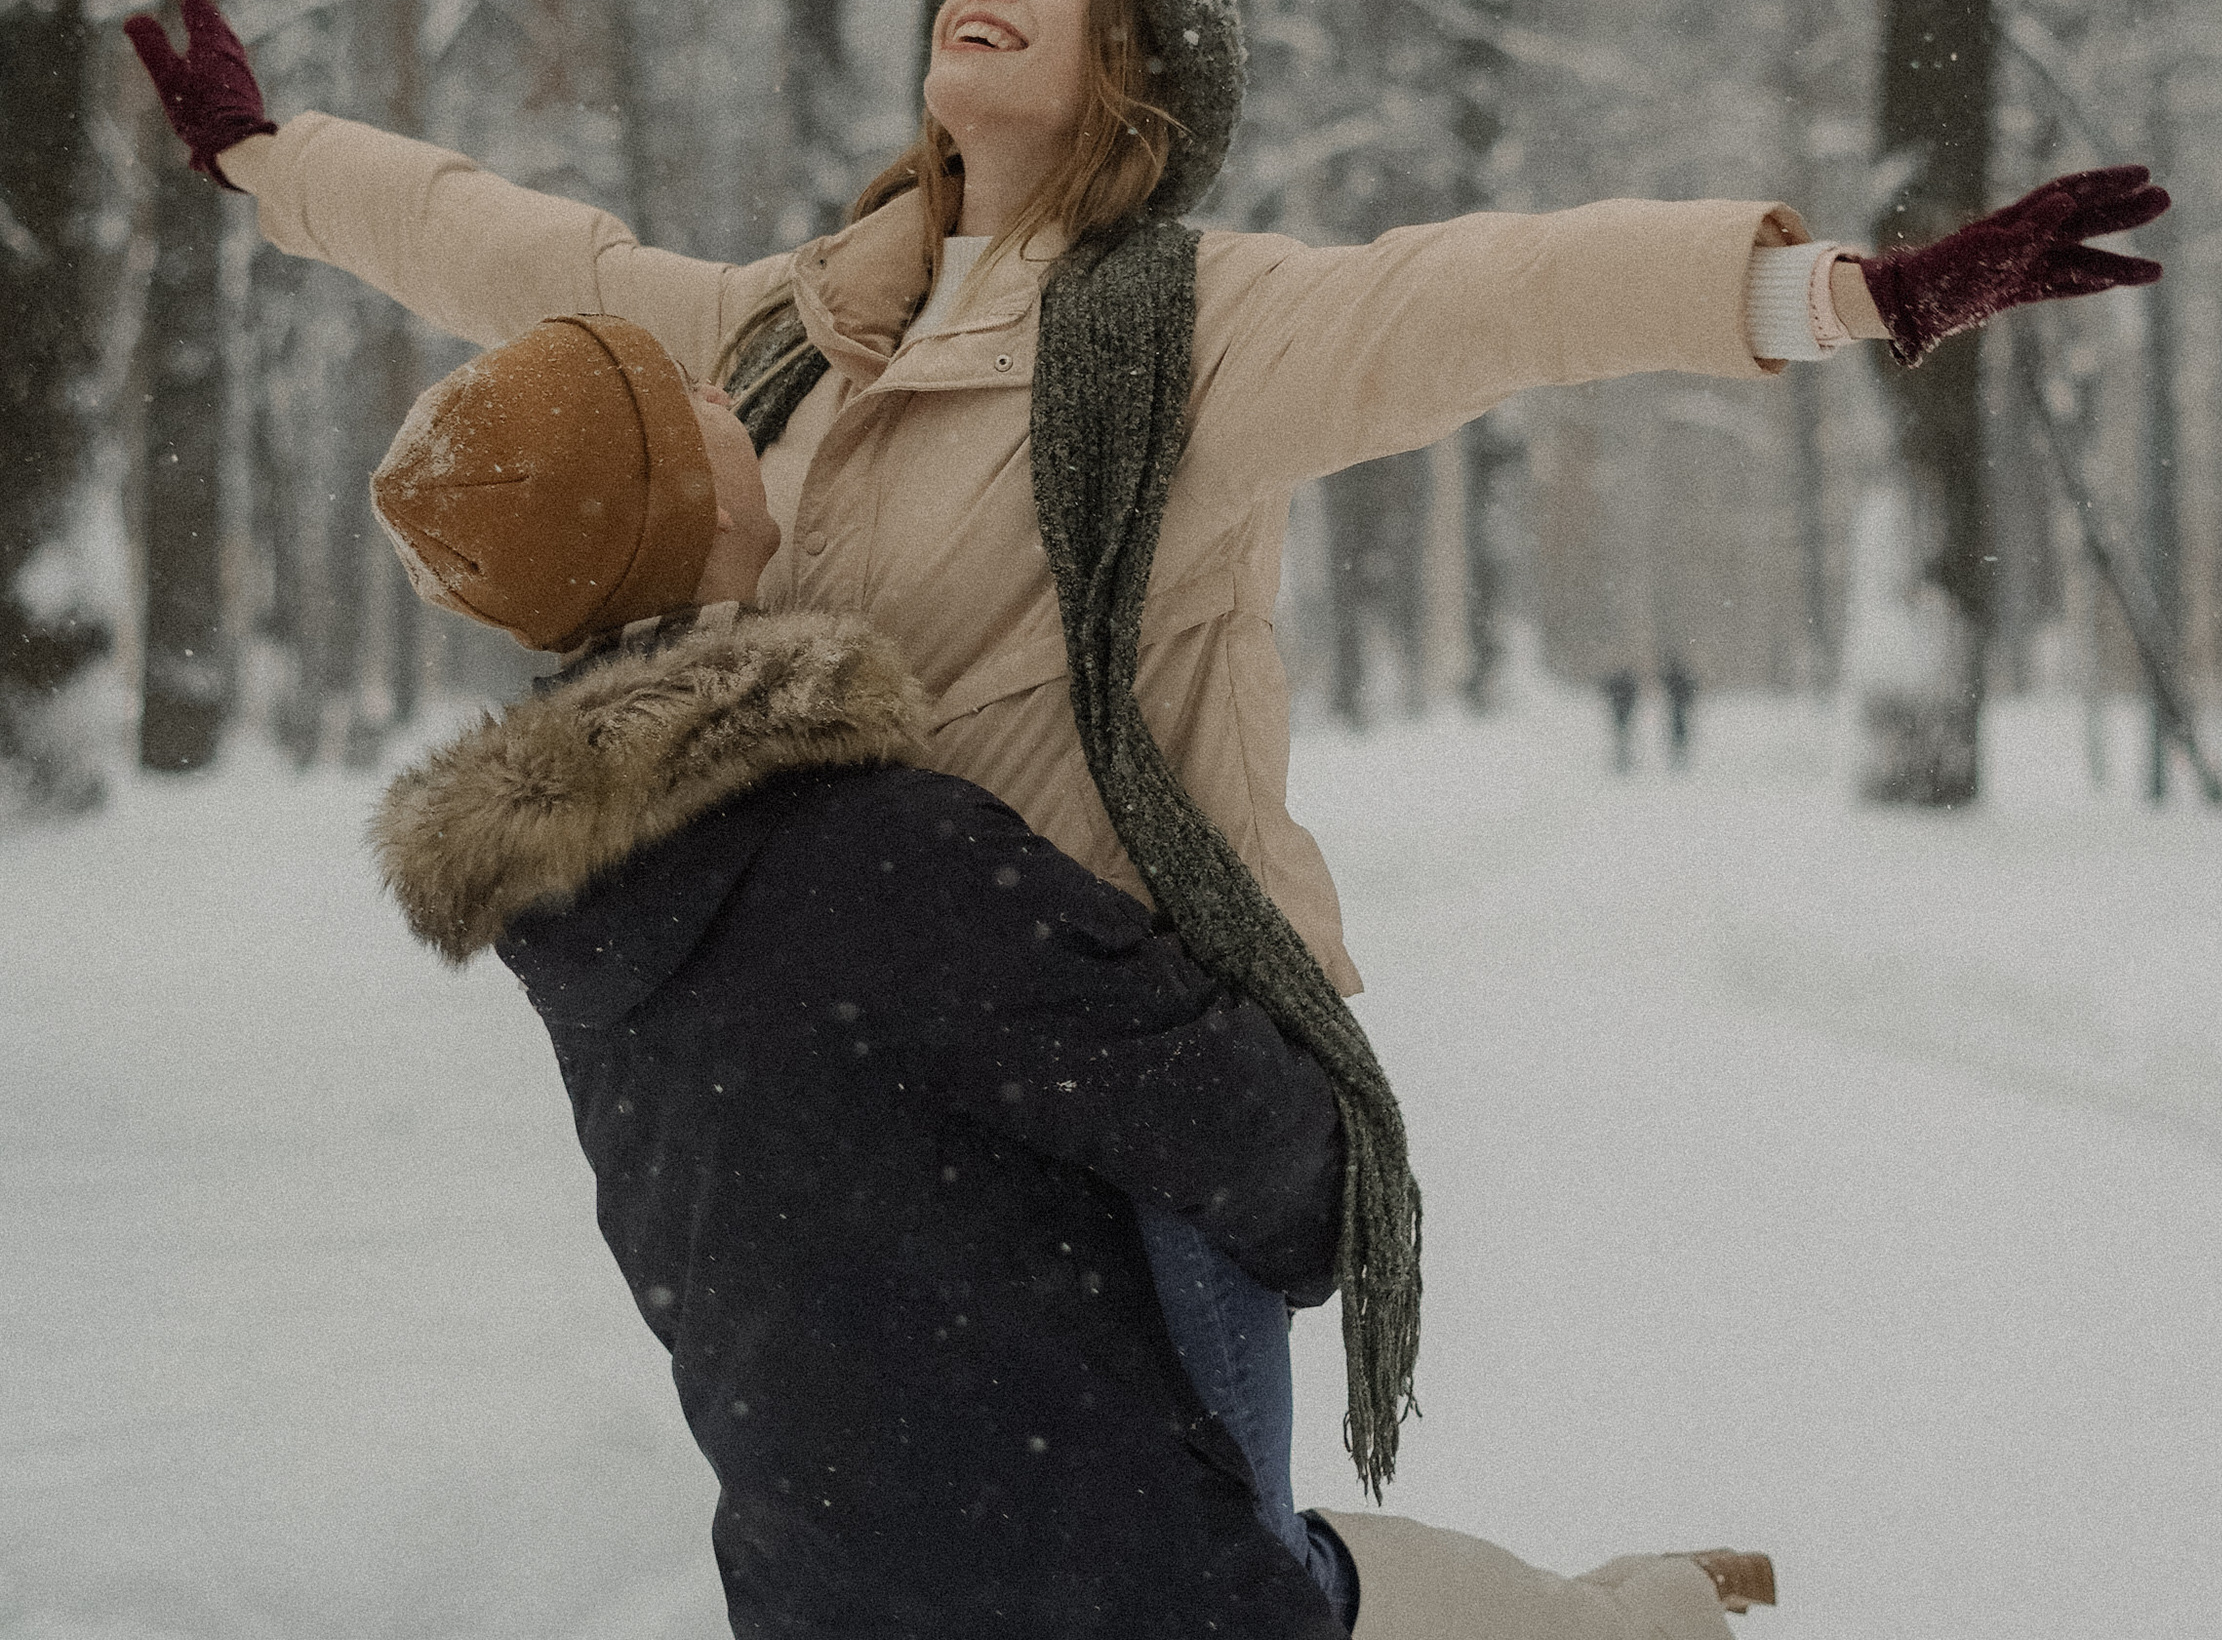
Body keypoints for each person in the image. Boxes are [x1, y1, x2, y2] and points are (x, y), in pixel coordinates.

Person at [130, 0, 2160, 1614]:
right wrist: (265, 155)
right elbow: (513, 250)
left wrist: (1835, 292)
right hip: (898, 1103)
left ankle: (1598, 1620)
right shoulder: (777, 329)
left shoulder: (1188, 333)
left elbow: (1479, 298)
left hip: (1125, 1083)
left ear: (1132, 88)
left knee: (1196, 1586)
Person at [362, 314, 1770, 1637]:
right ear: (669, 499)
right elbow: (1218, 1110)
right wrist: (1328, 1178)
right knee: (1287, 1584)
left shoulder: (592, 897)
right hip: (1086, 1563)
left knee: (1308, 1587)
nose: (730, 392)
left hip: (834, 1571)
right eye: (686, 396)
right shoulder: (868, 852)